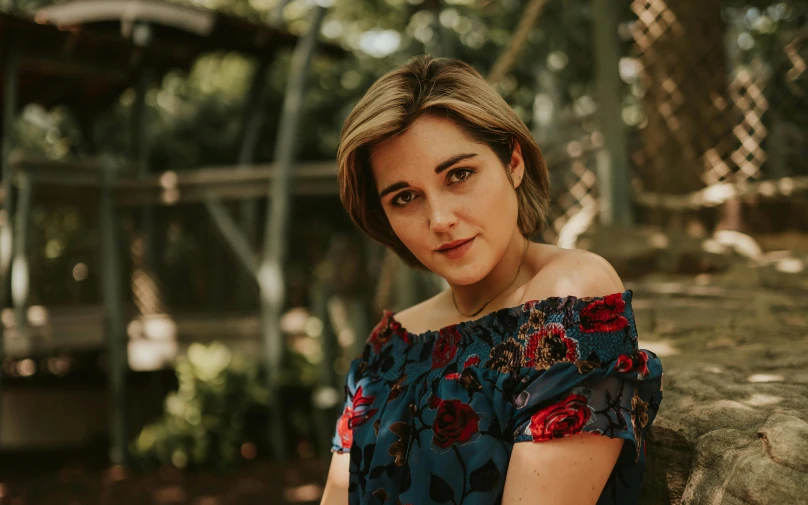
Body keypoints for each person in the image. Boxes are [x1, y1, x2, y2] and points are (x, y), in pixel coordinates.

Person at [319, 54, 663, 505]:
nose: (440, 219)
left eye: (459, 175)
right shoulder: (388, 346)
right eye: (405, 197)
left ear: (513, 162)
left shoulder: (572, 298)